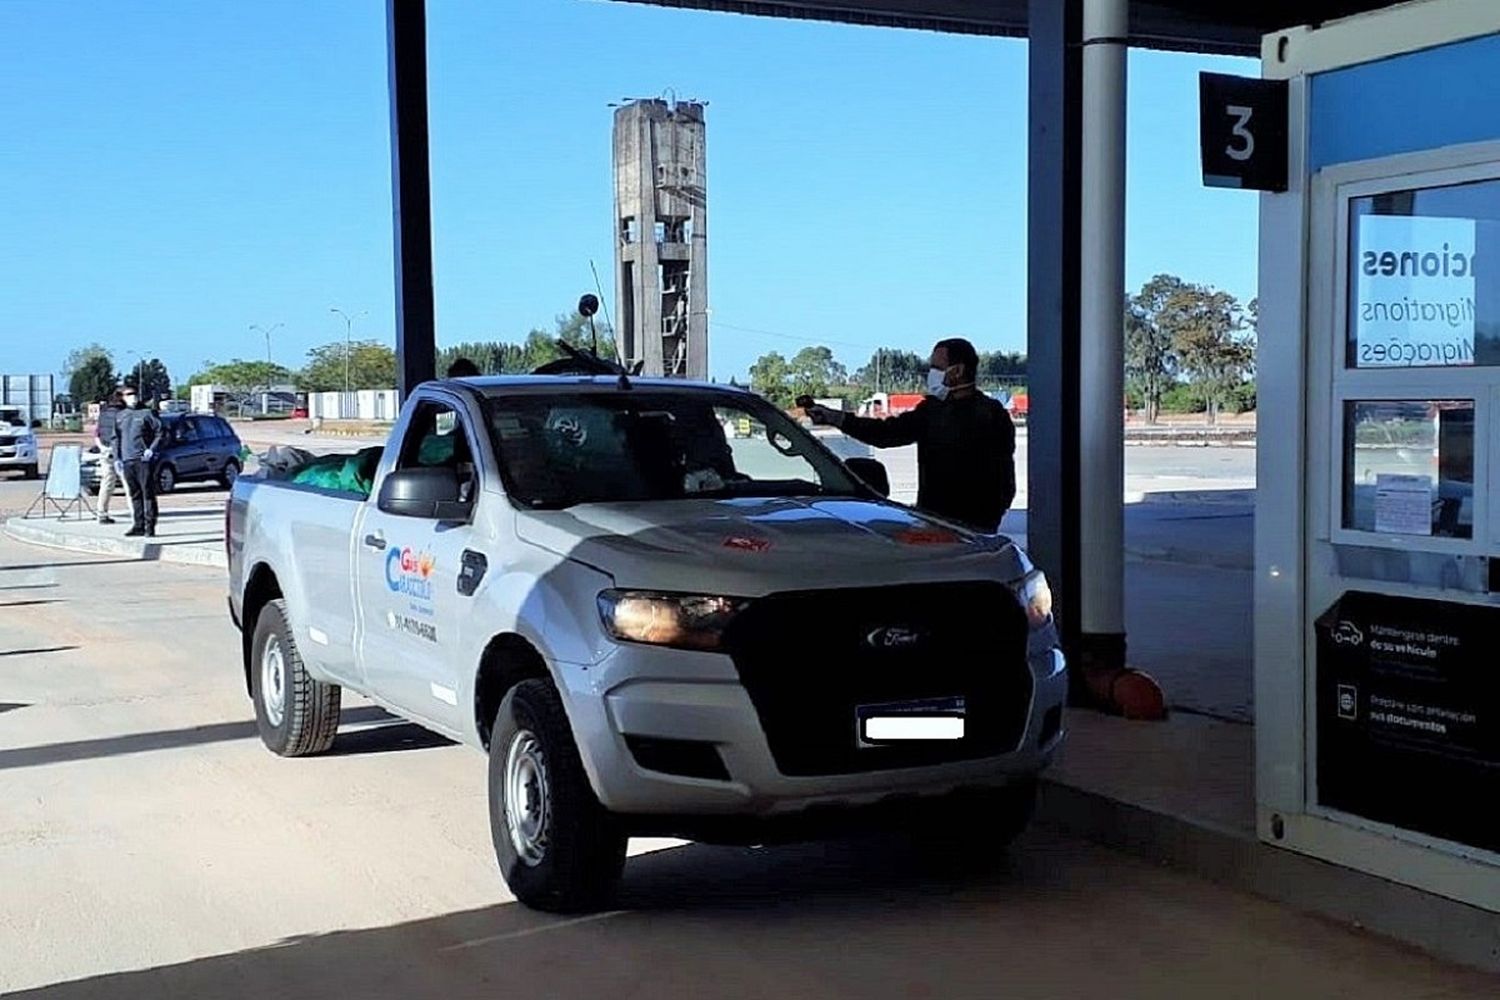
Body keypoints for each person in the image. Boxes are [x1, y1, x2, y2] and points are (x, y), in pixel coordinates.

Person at [809, 338, 1015, 533]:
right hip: (936, 520)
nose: (931, 374)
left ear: (958, 371)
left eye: (937, 368)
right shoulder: (933, 410)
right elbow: (887, 433)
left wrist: (991, 516)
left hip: (974, 524)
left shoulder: (989, 415)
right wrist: (836, 418)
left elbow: (1004, 475)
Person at [113, 386, 163, 537]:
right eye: (128, 395)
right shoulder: (120, 416)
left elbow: (160, 432)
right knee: (134, 493)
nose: (132, 397)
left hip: (143, 460)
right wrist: (117, 458)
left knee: (147, 492)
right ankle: (138, 524)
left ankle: (150, 525)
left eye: (134, 394)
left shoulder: (146, 413)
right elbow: (115, 438)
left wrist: (151, 449)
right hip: (127, 460)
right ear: (122, 397)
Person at [93, 389, 125, 525]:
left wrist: (102, 448)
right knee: (129, 484)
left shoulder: (103, 414)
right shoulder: (123, 414)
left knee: (106, 482)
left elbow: (97, 433)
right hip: (120, 451)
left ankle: (101, 512)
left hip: (105, 451)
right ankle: (138, 514)